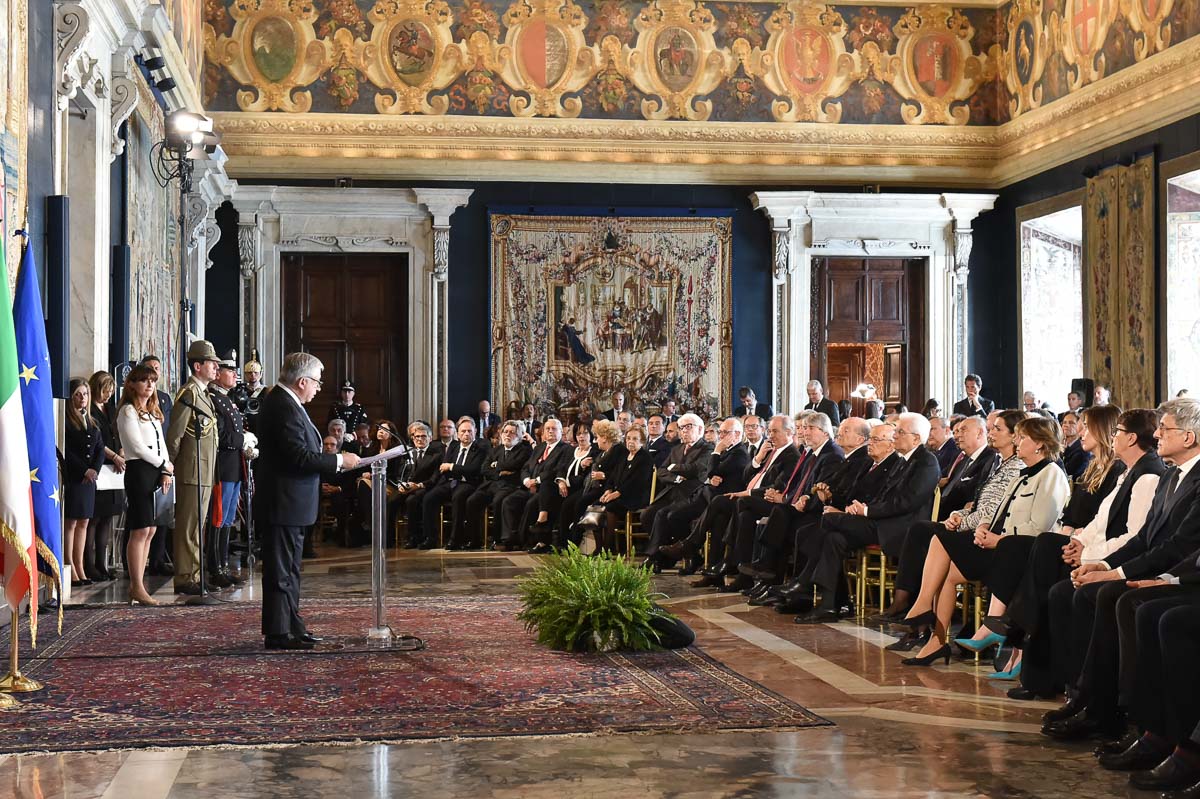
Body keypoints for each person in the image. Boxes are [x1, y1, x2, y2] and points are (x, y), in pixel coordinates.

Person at [1005, 408, 1162, 701]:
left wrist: (1088, 556)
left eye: (1117, 432)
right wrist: (1078, 542)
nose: (1112, 437)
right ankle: (1034, 650)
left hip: (1117, 561)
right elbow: (1099, 521)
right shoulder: (1128, 471)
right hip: (1096, 551)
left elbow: (1137, 538)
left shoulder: (1147, 475)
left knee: (1054, 579)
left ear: (1130, 438)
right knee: (1044, 552)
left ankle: (1025, 635)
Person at [894, 416, 1069, 666]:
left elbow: (1039, 526)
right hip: (998, 542)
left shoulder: (1051, 474)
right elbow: (998, 510)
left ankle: (923, 608)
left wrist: (998, 538)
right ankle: (936, 639)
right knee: (946, 572)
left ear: (1040, 444)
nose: (1017, 442)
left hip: (1018, 551)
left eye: (1022, 438)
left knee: (940, 538)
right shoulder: (1022, 472)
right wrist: (984, 527)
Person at [794, 412, 941, 623]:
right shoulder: (904, 460)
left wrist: (866, 511)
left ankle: (805, 582)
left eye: (900, 432)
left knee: (828, 520)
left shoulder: (926, 462)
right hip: (880, 521)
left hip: (900, 528)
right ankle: (829, 605)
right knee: (834, 539)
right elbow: (884, 495)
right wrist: (861, 508)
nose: (895, 436)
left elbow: (907, 502)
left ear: (916, 438)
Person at [256, 352, 360, 650]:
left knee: (290, 570)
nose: (318, 387)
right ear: (302, 381)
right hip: (282, 502)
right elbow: (298, 456)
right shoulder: (281, 405)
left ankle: (292, 626)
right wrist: (339, 460)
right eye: (316, 381)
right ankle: (279, 633)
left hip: (292, 502)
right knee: (280, 571)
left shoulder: (289, 403)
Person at [166, 340, 221, 595]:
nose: (216, 368)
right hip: (191, 470)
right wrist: (169, 466)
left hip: (205, 470)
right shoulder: (189, 394)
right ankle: (185, 576)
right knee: (189, 526)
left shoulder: (203, 394)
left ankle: (196, 574)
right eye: (212, 363)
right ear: (197, 366)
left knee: (199, 524)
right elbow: (175, 435)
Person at [116, 365, 175, 606]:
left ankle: (138, 584)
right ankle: (136, 585)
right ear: (132, 384)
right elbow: (137, 447)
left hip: (155, 470)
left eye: (152, 381)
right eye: (144, 380)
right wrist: (163, 463)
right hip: (139, 471)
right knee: (140, 528)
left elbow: (161, 443)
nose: (150, 385)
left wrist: (165, 469)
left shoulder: (151, 413)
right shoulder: (128, 411)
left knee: (150, 530)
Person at [207, 354, 253, 588]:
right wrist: (243, 438)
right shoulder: (214, 399)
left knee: (227, 519)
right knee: (218, 518)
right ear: (218, 374)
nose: (235, 375)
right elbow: (222, 437)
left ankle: (223, 566)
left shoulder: (227, 400)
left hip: (235, 466)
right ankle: (215, 567)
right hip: (223, 466)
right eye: (230, 371)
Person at [451, 420, 531, 550]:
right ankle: (474, 539)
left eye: (512, 432)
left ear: (519, 436)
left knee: (498, 500)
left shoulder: (524, 450)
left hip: (510, 485)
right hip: (491, 484)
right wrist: (500, 472)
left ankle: (497, 539)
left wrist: (496, 465)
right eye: (505, 432)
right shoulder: (496, 450)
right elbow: (484, 468)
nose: (508, 435)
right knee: (472, 500)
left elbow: (514, 464)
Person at [63, 377, 103, 587]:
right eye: (77, 394)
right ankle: (69, 565)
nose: (82, 398)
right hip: (75, 478)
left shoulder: (92, 420)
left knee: (84, 522)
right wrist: (84, 470)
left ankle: (80, 566)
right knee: (71, 522)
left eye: (85, 394)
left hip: (90, 480)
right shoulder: (67, 421)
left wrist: (95, 468)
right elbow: (67, 451)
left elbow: (99, 448)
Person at [593, 426, 654, 552]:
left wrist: (617, 493)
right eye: (628, 438)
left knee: (610, 507)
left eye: (635, 439)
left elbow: (637, 482)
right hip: (618, 494)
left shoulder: (645, 458)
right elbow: (613, 477)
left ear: (642, 441)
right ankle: (598, 548)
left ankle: (608, 548)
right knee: (596, 506)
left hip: (635, 496)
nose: (630, 441)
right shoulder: (624, 456)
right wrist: (608, 490)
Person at [86, 370, 123, 581]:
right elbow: (98, 441)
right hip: (101, 464)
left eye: (110, 391)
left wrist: (122, 452)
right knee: (95, 518)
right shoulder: (90, 410)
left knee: (107, 518)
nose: (108, 395)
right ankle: (89, 564)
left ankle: (102, 563)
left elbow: (118, 433)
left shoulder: (111, 409)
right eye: (105, 391)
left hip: (114, 469)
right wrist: (114, 456)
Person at [140, 355, 174, 426]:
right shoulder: (140, 397)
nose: (154, 371)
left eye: (156, 368)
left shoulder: (165, 398)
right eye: (150, 368)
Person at [1060, 410, 1091, 479]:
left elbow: (1067, 472)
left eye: (1071, 423)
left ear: (1079, 426)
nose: (1066, 425)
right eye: (1064, 422)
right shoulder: (1062, 445)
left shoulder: (1082, 450)